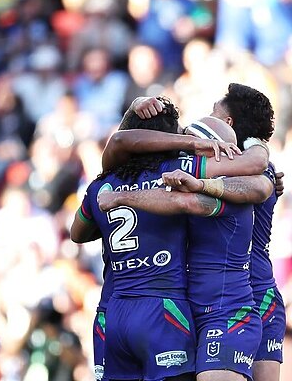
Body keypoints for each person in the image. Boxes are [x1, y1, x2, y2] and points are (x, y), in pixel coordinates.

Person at [97, 117, 272, 381]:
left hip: (226, 314)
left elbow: (257, 185)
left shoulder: (229, 190)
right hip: (190, 312)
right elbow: (119, 147)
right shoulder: (179, 179)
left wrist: (119, 198)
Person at [134, 83, 286, 381]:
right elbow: (126, 143)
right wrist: (140, 103)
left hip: (248, 293)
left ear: (227, 123)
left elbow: (259, 174)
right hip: (206, 298)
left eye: (214, 111)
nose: (207, 115)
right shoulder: (241, 162)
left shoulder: (251, 167)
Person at [71, 98, 227, 381]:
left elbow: (76, 234)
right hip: (162, 308)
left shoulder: (100, 185)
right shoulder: (177, 173)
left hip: (113, 312)